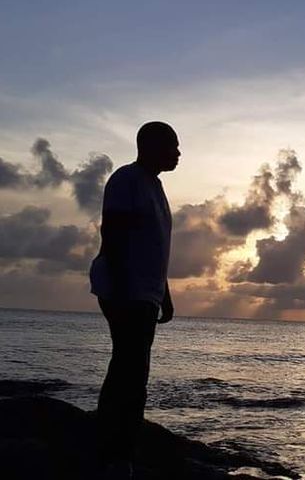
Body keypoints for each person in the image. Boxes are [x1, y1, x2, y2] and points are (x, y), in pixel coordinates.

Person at [89, 121, 180, 478]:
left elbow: (154, 247)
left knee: (131, 370)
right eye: (172, 146)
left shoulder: (155, 187)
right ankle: (116, 453)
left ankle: (119, 448)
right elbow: (111, 233)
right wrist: (125, 287)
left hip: (145, 293)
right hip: (126, 291)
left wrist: (165, 295)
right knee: (129, 371)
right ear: (151, 146)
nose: (178, 153)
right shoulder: (126, 180)